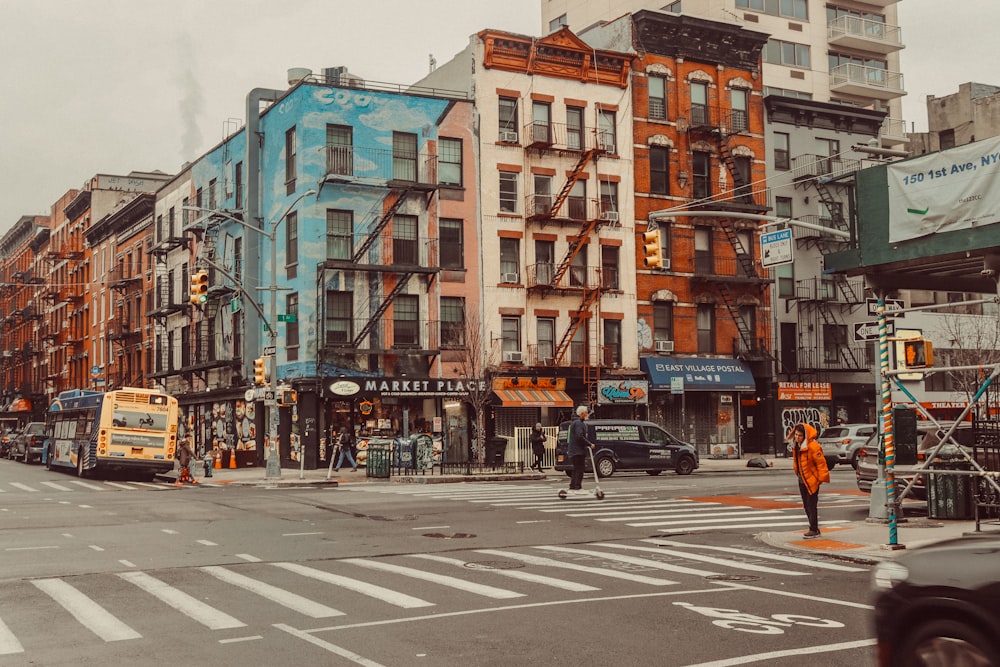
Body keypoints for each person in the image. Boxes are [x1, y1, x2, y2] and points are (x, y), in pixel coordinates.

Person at [791, 423, 829, 538]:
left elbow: (821, 464)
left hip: (811, 480)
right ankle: (814, 528)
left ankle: (813, 529)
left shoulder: (813, 446)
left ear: (805, 436)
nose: (797, 437)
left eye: (800, 435)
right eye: (796, 435)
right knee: (806, 505)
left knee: (811, 505)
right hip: (802, 479)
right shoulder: (796, 446)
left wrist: (819, 479)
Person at [568, 405, 594, 493]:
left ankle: (573, 486)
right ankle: (577, 487)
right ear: (582, 414)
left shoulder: (575, 422)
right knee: (579, 469)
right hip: (578, 451)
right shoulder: (579, 423)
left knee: (576, 469)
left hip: (574, 450)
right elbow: (579, 437)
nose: (587, 415)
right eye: (586, 413)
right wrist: (589, 444)